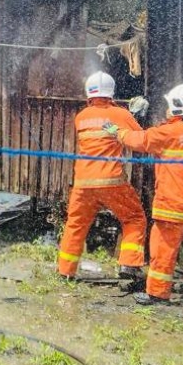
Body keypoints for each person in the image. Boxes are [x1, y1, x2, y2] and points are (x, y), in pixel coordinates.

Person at [105, 83, 183, 305]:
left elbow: (139, 141)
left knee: (163, 250)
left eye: (169, 106)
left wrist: (116, 132)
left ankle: (157, 293)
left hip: (173, 208)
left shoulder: (168, 132)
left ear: (179, 107)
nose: (167, 110)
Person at [56, 72, 148, 282]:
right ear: (111, 92)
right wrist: (135, 116)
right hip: (111, 181)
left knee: (75, 224)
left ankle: (65, 271)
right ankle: (129, 266)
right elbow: (141, 141)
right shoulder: (120, 114)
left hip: (83, 182)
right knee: (134, 218)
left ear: (89, 92)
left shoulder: (81, 117)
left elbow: (103, 126)